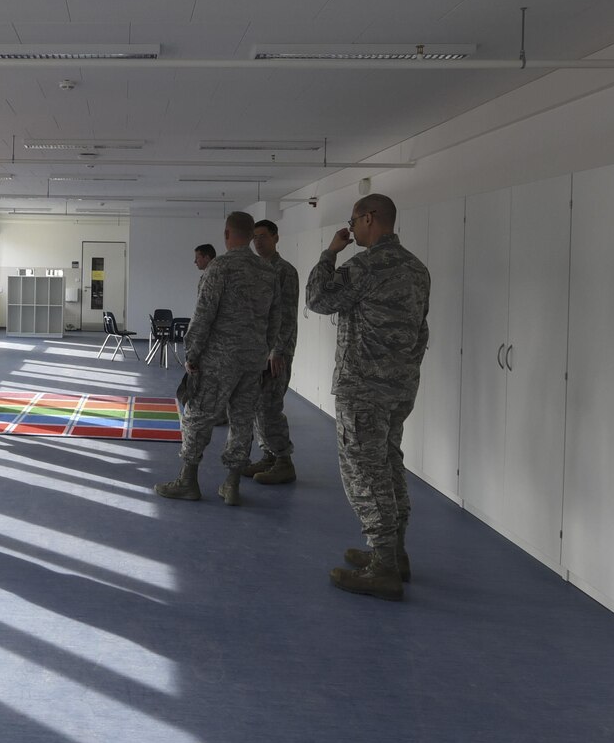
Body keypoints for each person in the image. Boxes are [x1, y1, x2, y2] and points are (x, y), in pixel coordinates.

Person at [305, 193, 429, 599]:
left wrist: (329, 253)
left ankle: (384, 566)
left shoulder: (364, 265)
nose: (352, 228)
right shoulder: (417, 269)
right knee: (389, 464)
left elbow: (318, 299)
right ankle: (395, 552)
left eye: (354, 221)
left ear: (370, 218)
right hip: (400, 387)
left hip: (364, 388)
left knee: (363, 471)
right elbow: (420, 330)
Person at [156, 212, 279, 507]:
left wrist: (192, 355)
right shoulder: (267, 272)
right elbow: (275, 319)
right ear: (250, 235)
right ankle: (232, 484)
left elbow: (203, 315)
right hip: (252, 361)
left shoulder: (219, 267)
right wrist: (264, 351)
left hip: (219, 359)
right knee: (242, 420)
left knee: (198, 416)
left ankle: (188, 480)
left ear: (227, 234)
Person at [244, 218, 300, 486]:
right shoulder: (256, 270)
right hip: (256, 351)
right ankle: (268, 456)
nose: (258, 241)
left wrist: (278, 351)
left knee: (269, 406)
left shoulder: (284, 271)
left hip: (275, 354)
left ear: (276, 238)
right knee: (257, 406)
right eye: (255, 237)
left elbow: (287, 315)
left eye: (264, 236)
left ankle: (283, 461)